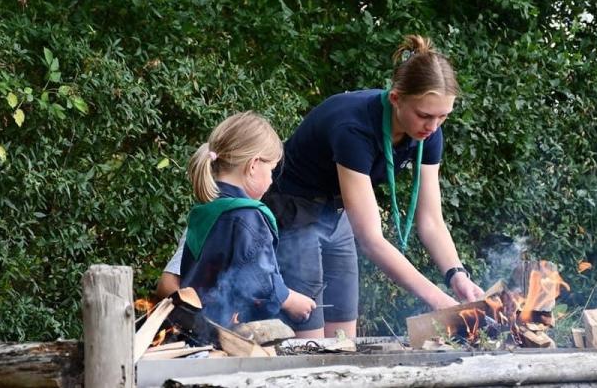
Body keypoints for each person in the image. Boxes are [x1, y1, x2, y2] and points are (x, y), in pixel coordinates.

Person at [263, 35, 484, 339]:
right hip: (291, 209)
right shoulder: (353, 128)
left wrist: (456, 275)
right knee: (310, 342)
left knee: (344, 337)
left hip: (333, 212)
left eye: (443, 117)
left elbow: (431, 220)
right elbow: (370, 239)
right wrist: (438, 301)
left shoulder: (429, 134)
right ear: (396, 99)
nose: (432, 127)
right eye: (425, 115)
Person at [176, 111, 316, 327]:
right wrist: (288, 299)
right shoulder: (248, 217)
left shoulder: (206, 210)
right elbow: (258, 282)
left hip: (196, 327)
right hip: (229, 333)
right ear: (253, 165)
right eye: (271, 170)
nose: (271, 180)